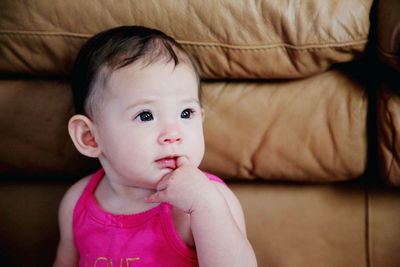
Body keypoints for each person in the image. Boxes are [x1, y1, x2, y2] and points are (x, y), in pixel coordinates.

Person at [53, 25, 257, 267]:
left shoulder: (209, 201)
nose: (173, 134)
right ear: (90, 137)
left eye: (186, 112)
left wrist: (205, 205)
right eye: (146, 116)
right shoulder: (77, 202)